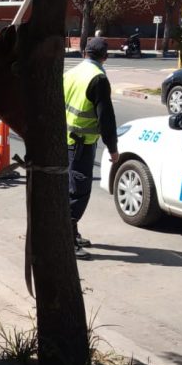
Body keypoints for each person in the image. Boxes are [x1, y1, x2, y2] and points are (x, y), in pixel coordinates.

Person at [64, 37, 118, 258]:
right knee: (79, 192)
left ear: (84, 53)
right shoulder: (98, 79)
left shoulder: (70, 73)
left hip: (65, 140)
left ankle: (71, 232)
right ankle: (66, 239)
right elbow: (106, 118)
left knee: (69, 189)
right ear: (104, 57)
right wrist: (113, 148)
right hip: (81, 145)